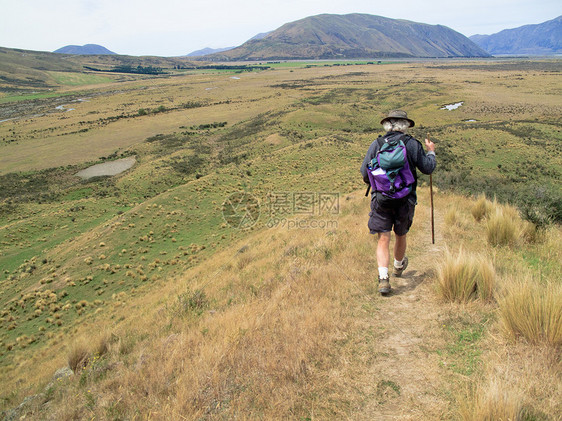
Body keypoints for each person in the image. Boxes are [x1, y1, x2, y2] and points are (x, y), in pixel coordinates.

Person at [360, 110, 436, 295]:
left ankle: (383, 279)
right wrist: (431, 152)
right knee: (401, 234)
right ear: (405, 126)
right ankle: (398, 266)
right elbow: (427, 168)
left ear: (388, 125)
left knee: (383, 238)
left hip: (382, 199)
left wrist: (381, 185)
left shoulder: (376, 144)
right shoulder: (412, 144)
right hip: (405, 199)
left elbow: (364, 174)